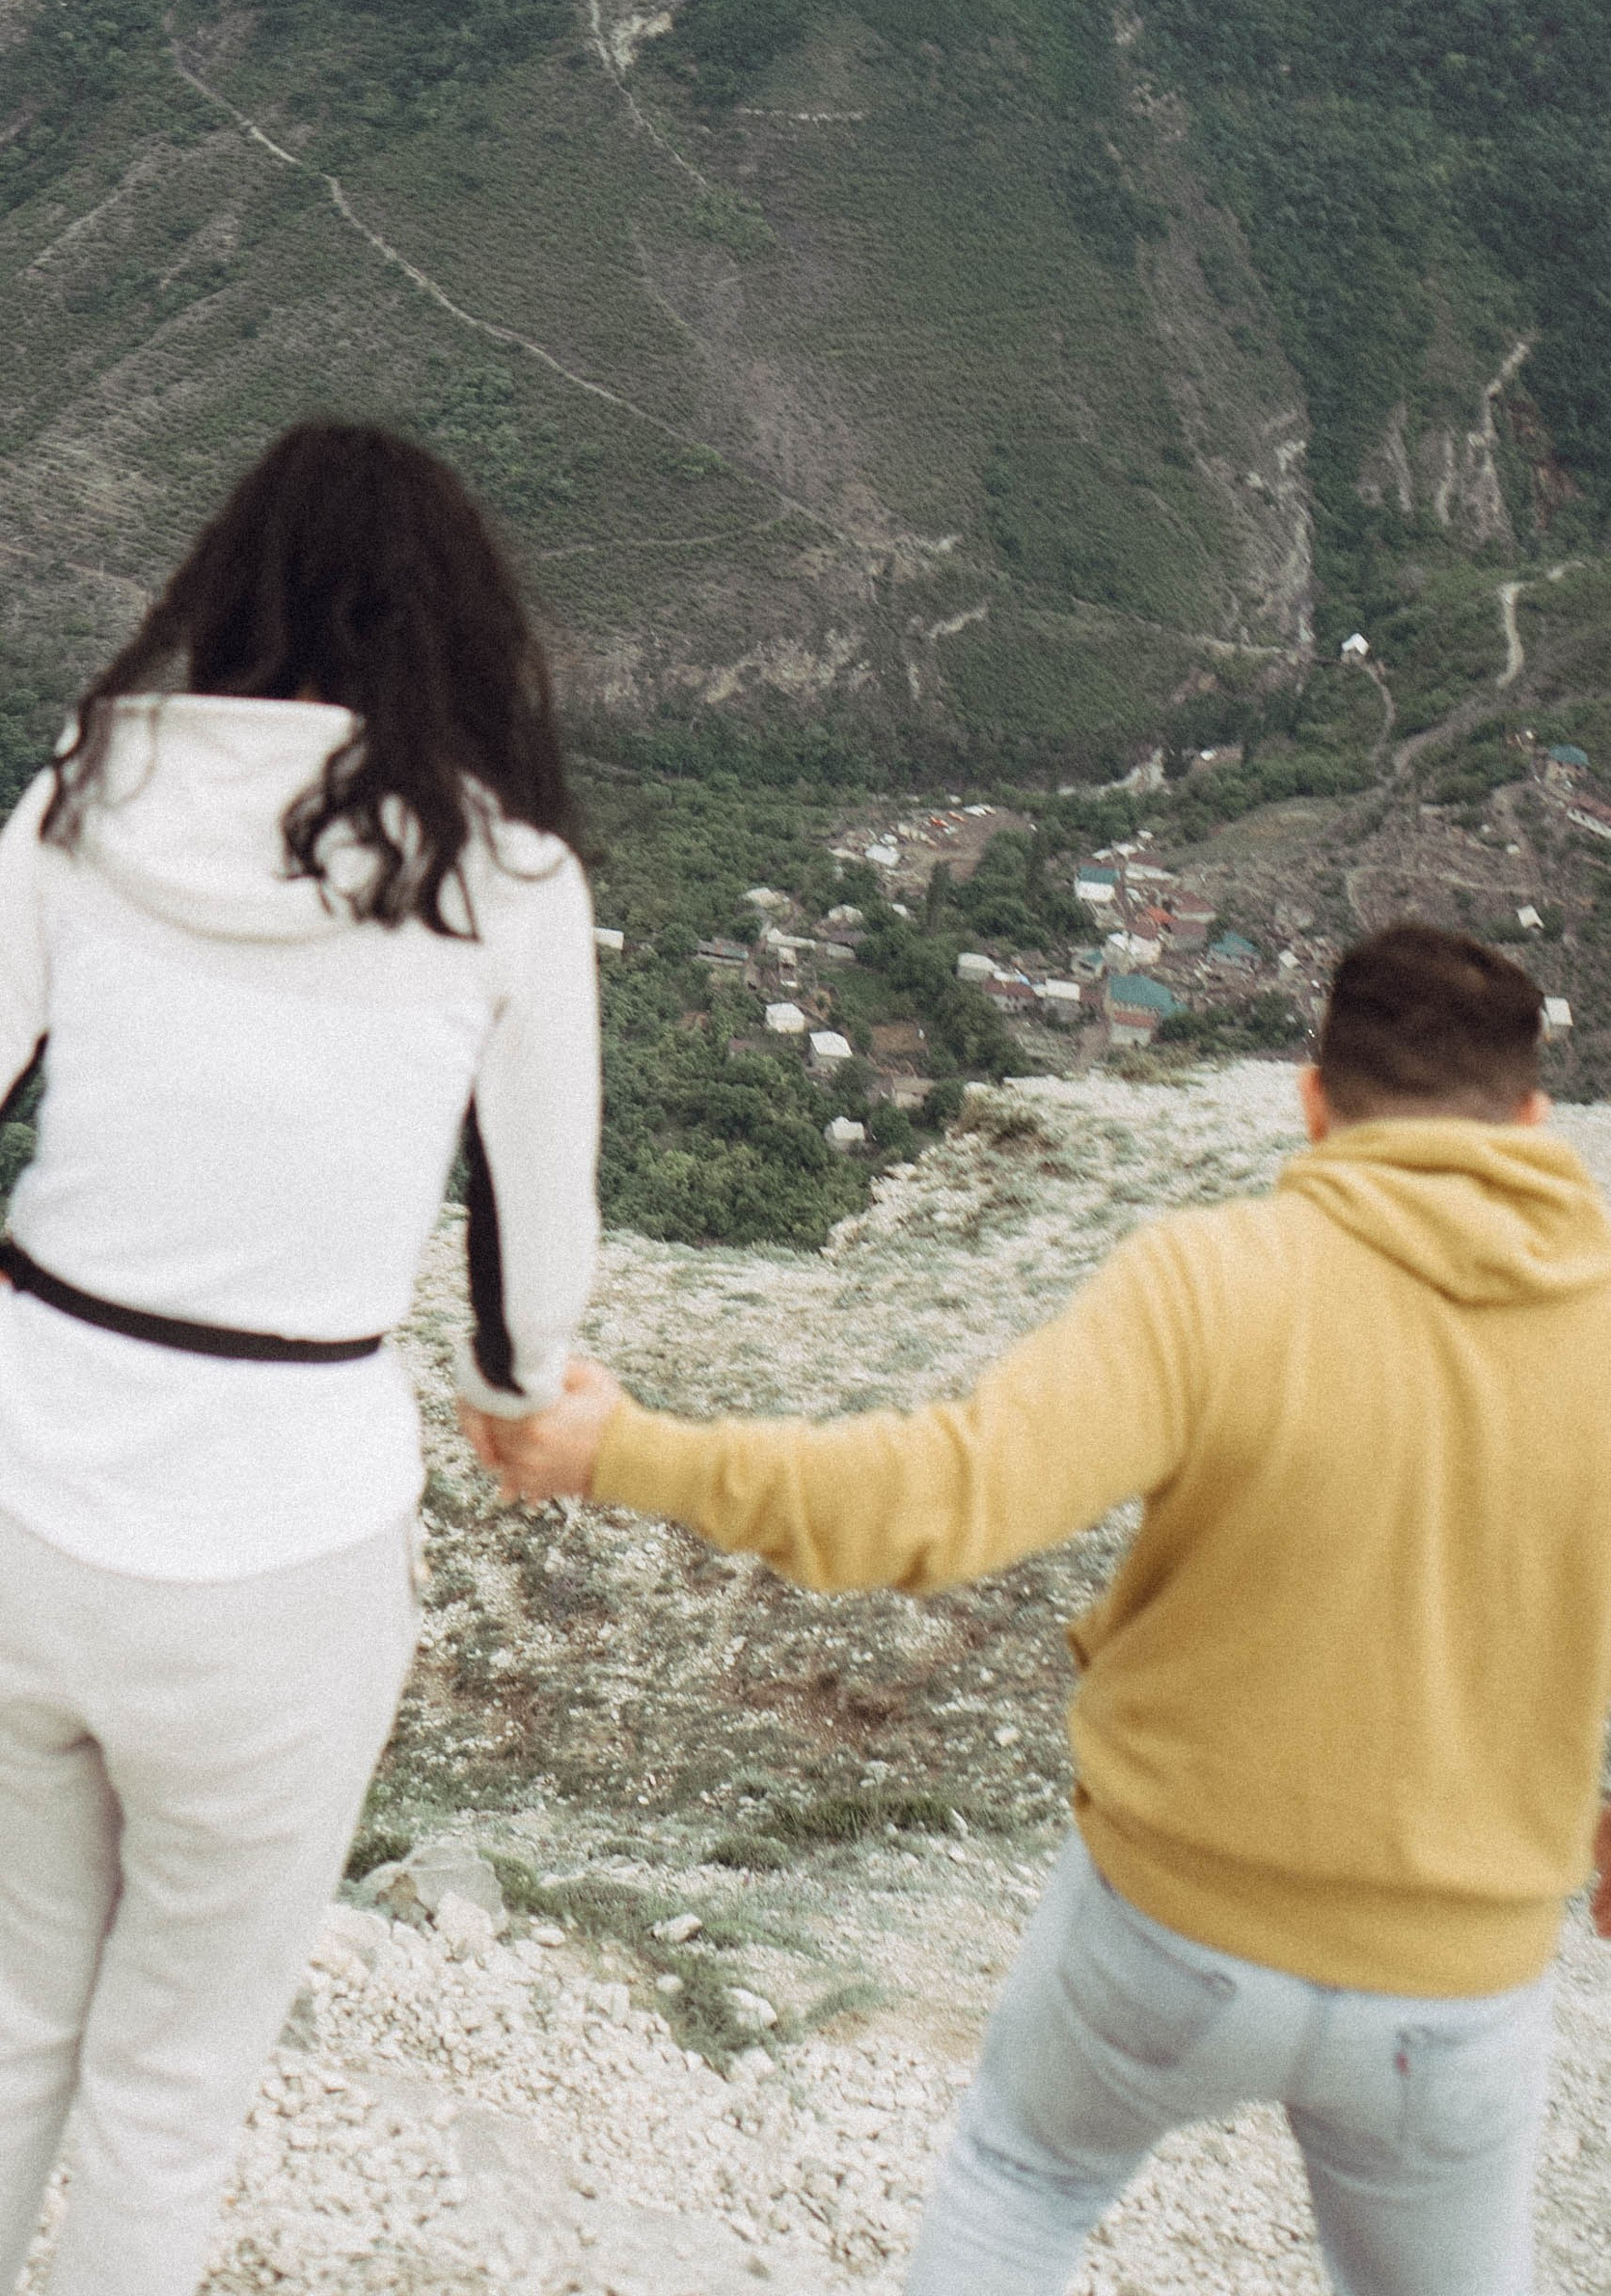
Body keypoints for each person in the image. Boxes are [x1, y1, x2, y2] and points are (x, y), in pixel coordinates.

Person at [0, 422, 601, 2296]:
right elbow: (523, 1272)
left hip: (14, 1509)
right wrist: (504, 1405)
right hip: (286, 1556)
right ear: (457, 634)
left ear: (222, 593)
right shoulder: (508, 880)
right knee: (163, 2110)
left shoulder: (85, 795)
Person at [467, 921, 1611, 2296]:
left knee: (1028, 2176)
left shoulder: (1215, 1281)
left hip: (1175, 1928)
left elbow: (941, 1498)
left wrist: (621, 1452)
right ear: (1534, 1120)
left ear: (1313, 1102)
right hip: (1459, 1974)